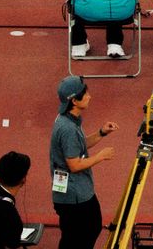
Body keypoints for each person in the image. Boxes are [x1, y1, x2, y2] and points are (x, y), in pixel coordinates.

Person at [49, 76, 116, 249]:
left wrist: (101, 133)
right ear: (74, 100)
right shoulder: (68, 129)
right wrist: (101, 156)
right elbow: (74, 164)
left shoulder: (67, 119)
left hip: (73, 194)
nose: (89, 96)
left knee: (79, 235)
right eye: (85, 93)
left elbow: (77, 147)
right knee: (82, 235)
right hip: (75, 197)